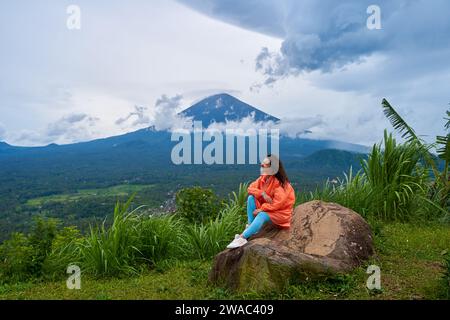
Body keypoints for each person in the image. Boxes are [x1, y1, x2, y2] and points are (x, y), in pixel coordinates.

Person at [226, 154, 296, 249]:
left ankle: (242, 238)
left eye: (263, 166)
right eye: (261, 165)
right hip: (270, 208)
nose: (261, 167)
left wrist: (262, 209)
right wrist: (262, 193)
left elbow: (278, 205)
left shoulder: (280, 184)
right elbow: (250, 188)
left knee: (262, 215)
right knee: (251, 198)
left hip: (281, 213)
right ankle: (251, 227)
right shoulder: (263, 179)